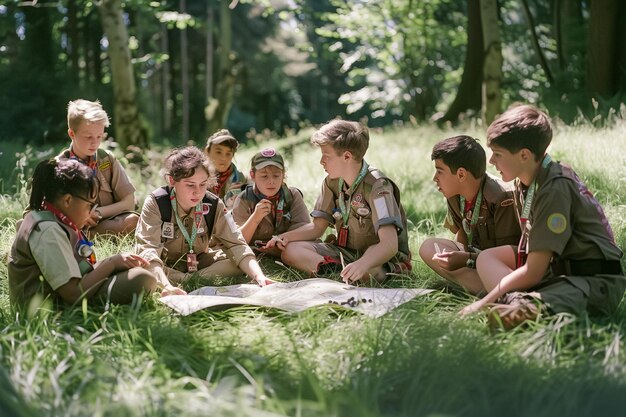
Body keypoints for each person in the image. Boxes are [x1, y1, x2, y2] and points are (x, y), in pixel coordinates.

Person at [460, 104, 626, 330]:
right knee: (512, 294)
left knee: (523, 307)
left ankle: (522, 310)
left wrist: (482, 303)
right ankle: (518, 306)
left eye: (497, 154)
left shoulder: (554, 189)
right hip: (558, 278)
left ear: (524, 155)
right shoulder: (525, 182)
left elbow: (534, 270)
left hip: (593, 282)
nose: (491, 162)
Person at [265, 119, 412, 284]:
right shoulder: (332, 182)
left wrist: (363, 263)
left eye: (326, 156)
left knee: (369, 274)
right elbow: (317, 228)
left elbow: (389, 244)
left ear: (347, 156)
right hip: (345, 252)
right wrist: (284, 237)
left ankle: (349, 273)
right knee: (291, 251)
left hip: (379, 258)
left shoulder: (377, 186)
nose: (322, 161)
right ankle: (338, 273)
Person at [8, 159, 156, 308]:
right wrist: (111, 264)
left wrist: (117, 262)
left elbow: (78, 271)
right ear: (67, 200)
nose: (92, 211)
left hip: (65, 295)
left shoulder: (57, 219)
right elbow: (73, 294)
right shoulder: (48, 231)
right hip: (51, 308)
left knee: (136, 272)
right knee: (142, 279)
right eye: (90, 205)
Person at [135, 146, 273, 296]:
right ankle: (172, 281)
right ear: (171, 180)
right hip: (165, 265)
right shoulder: (156, 202)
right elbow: (148, 250)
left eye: (203, 184)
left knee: (240, 262)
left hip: (200, 263)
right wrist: (167, 286)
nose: (198, 192)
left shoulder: (213, 203)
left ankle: (188, 279)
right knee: (144, 267)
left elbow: (237, 244)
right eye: (190, 185)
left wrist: (259, 277)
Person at [419, 135, 520, 294]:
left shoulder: (501, 197)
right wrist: (459, 257)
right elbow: (462, 232)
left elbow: (512, 255)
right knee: (428, 247)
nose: (435, 178)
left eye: (439, 172)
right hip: (476, 260)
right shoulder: (454, 195)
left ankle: (492, 292)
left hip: (503, 268)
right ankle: (477, 288)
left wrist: (467, 259)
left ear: (461, 174)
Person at [57, 99, 139, 238]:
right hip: (70, 226)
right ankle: (79, 236)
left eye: (100, 136)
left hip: (105, 223)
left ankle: (87, 236)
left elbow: (129, 202)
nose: (95, 142)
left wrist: (98, 213)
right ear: (72, 134)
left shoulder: (107, 159)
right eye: (88, 136)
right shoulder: (58, 166)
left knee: (133, 221)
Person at [231, 147, 310, 257]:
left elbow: (305, 230)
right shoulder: (244, 199)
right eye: (264, 176)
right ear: (252, 175)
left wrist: (285, 237)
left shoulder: (292, 195)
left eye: (276, 175)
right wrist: (255, 218)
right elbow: (237, 241)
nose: (271, 181)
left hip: (286, 249)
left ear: (283, 175)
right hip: (255, 254)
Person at [204, 129, 247, 209]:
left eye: (228, 154)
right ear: (207, 151)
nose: (223, 158)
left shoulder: (241, 179)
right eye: (218, 152)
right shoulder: (197, 178)